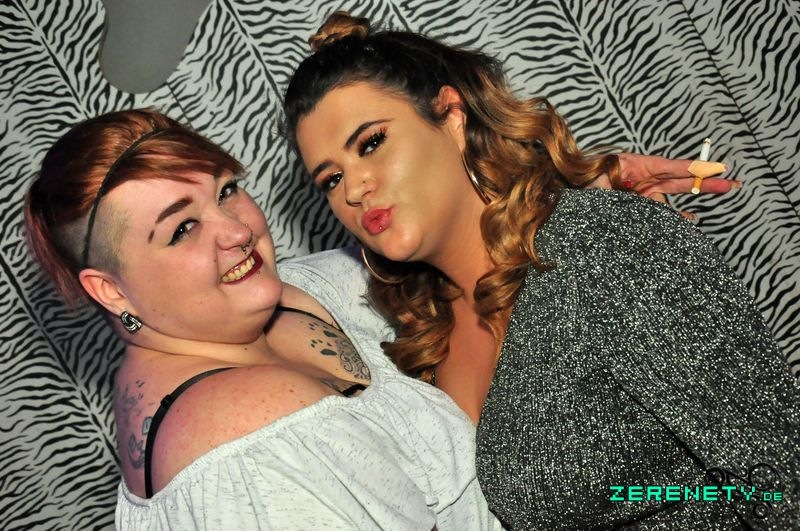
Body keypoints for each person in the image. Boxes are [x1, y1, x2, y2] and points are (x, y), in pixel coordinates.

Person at [283, 12, 800, 529]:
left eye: (371, 143)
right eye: (331, 179)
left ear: (453, 118)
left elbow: (775, 481)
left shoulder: (601, 243)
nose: (355, 189)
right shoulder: (425, 335)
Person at [23, 109, 503, 530]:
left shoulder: (295, 286)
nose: (237, 230)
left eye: (227, 190)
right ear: (110, 291)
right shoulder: (246, 447)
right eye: (183, 228)